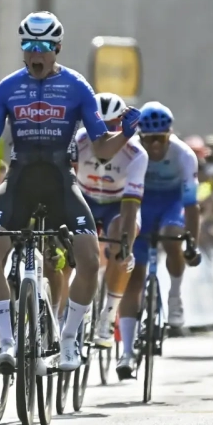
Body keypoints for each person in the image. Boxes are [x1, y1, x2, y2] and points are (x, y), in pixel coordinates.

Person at [0, 11, 140, 372]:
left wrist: (125, 133)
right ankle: (2, 343)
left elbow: (101, 149)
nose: (36, 53)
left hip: (60, 183)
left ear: (57, 48)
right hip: (19, 180)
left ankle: (68, 342)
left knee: (90, 258)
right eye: (29, 45)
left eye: (44, 46)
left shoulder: (78, 87)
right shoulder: (7, 87)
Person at [116, 102, 201, 379]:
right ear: (140, 136)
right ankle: (127, 352)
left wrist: (193, 243)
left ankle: (175, 294)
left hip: (171, 203)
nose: (154, 145)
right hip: (141, 202)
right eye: (148, 139)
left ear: (170, 135)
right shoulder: (131, 152)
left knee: (174, 238)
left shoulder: (184, 155)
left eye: (159, 139)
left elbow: (191, 204)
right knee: (134, 278)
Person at [70, 93, 146, 347]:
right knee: (64, 249)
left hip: (118, 204)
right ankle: (64, 314)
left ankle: (109, 314)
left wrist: (125, 241)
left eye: (113, 127)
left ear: (122, 125)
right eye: (99, 127)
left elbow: (131, 205)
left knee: (121, 249)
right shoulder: (78, 143)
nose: (105, 135)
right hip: (86, 199)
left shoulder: (136, 153)